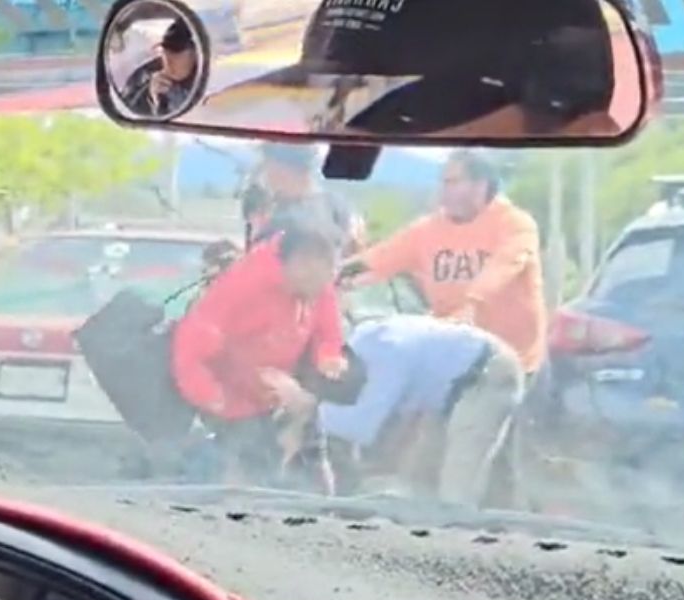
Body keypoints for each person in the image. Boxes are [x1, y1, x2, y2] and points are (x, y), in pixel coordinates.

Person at [171, 214, 347, 492]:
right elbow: (189, 352)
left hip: (279, 384)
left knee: (312, 452)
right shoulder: (243, 288)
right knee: (248, 462)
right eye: (324, 276)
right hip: (231, 390)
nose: (327, 286)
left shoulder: (319, 283)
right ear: (299, 264)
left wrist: (328, 357)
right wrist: (216, 400)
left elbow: (329, 330)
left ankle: (323, 508)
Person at [343, 148, 547, 376]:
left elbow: (504, 266)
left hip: (512, 362)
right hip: (456, 356)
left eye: (453, 183)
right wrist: (333, 275)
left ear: (481, 185)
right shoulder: (427, 230)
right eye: (443, 183)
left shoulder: (515, 224)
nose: (444, 192)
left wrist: (471, 305)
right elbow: (380, 257)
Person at [320, 314, 524, 507]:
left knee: (458, 483)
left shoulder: (382, 356)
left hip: (487, 372)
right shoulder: (365, 339)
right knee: (422, 480)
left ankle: (458, 533)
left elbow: (356, 429)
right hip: (450, 384)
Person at [247, 142, 366, 255]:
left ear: (282, 169)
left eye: (268, 166)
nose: (267, 176)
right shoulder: (339, 206)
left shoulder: (278, 223)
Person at [122, 19, 198, 117]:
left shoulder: (208, 78)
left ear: (196, 54)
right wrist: (149, 95)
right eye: (164, 52)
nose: (168, 62)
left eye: (177, 54)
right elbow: (125, 109)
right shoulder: (145, 73)